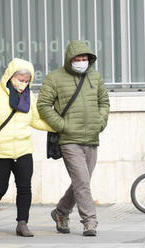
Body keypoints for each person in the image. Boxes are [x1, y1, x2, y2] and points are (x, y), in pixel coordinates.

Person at [37, 40, 110, 236]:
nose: (81, 61)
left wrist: (100, 122)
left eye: (85, 58)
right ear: (69, 59)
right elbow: (43, 106)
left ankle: (61, 212)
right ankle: (90, 221)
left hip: (92, 137)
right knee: (82, 182)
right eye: (78, 58)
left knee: (81, 182)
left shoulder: (95, 76)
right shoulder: (55, 78)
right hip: (69, 140)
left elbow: (104, 101)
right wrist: (63, 126)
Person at [0, 58, 54, 237]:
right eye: (20, 78)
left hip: (23, 149)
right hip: (0, 149)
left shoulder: (29, 97)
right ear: (10, 75)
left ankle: (22, 223)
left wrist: (58, 126)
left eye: (27, 80)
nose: (23, 83)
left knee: (24, 187)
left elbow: (35, 120)